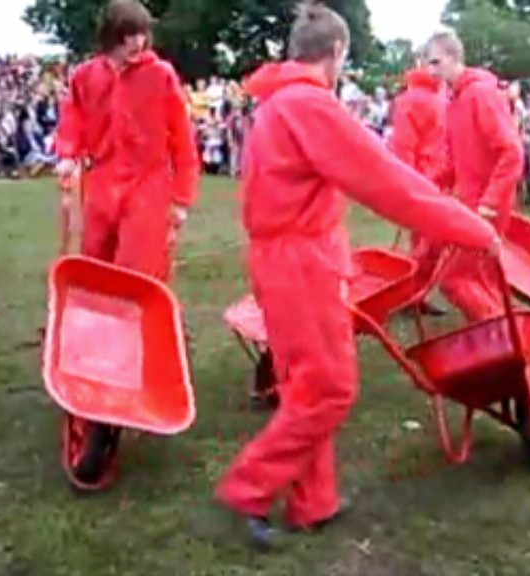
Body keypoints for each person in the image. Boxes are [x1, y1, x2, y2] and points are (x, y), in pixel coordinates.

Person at [215, 4, 499, 550]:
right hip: (301, 262)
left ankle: (313, 501)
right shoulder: (309, 106)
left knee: (305, 383)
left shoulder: (277, 104)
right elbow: (389, 181)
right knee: (330, 388)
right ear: (337, 52)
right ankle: (249, 488)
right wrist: (473, 230)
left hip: (282, 256)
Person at [55, 0, 199, 282]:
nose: (137, 43)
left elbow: (183, 140)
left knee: (138, 269)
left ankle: (141, 311)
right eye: (129, 35)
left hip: (147, 183)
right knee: (95, 264)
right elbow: (73, 117)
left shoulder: (160, 75)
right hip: (100, 181)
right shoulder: (86, 76)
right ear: (112, 35)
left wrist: (181, 198)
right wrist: (68, 154)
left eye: (141, 34)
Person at [426, 30, 524, 322]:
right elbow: (456, 159)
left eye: (436, 62)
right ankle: (503, 330)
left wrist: (490, 202)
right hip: (473, 202)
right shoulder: (455, 101)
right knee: (483, 277)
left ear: (454, 57)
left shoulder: (480, 94)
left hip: (487, 206)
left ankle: (501, 333)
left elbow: (512, 152)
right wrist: (427, 185)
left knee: (454, 280)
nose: (431, 71)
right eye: (429, 64)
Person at [388, 66, 448, 309]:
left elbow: (404, 145)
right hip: (429, 179)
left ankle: (414, 294)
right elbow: (405, 145)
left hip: (429, 178)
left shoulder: (427, 98)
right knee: (429, 243)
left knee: (429, 242)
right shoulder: (422, 100)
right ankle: (410, 293)